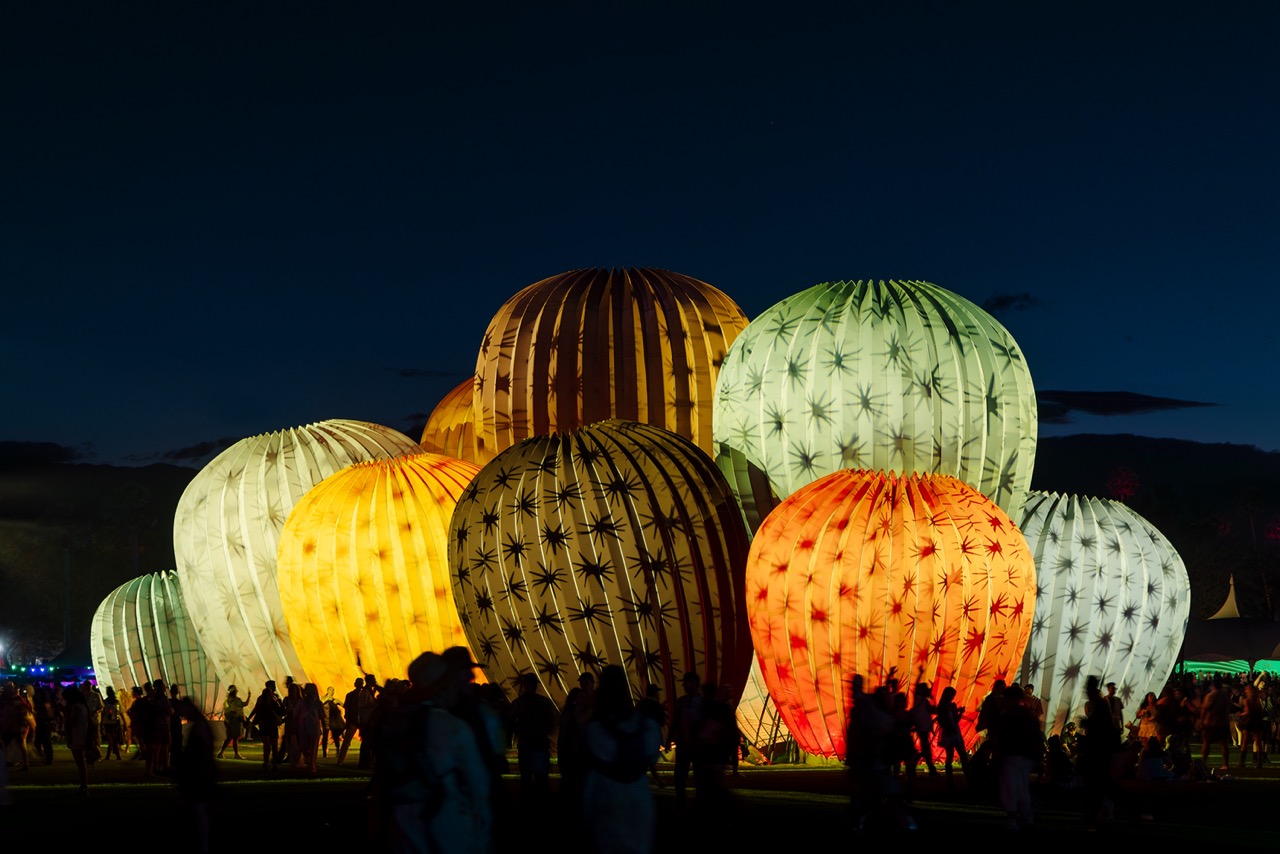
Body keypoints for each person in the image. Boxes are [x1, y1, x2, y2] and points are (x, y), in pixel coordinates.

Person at [377, 651, 492, 854]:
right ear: (443, 687)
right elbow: (479, 785)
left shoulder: (396, 722)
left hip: (402, 822)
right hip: (446, 821)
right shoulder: (453, 727)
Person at [581, 665, 662, 854]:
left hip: (609, 802)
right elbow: (651, 754)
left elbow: (594, 757)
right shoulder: (645, 725)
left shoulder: (596, 731)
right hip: (639, 799)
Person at [173, 697, 217, 854]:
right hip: (201, 774)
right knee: (198, 810)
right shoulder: (201, 725)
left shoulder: (199, 727)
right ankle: (201, 844)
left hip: (199, 775)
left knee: (198, 810)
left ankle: (202, 846)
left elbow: (199, 752)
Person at [509, 673, 558, 804]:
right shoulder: (544, 703)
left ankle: (529, 806)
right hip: (540, 745)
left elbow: (511, 724)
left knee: (526, 778)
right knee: (541, 779)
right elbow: (552, 723)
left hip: (526, 745)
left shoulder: (518, 703)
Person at [668, 671, 703, 809]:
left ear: (694, 683)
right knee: (681, 775)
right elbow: (675, 721)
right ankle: (683, 802)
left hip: (695, 745)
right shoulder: (682, 702)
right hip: (685, 744)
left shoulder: (700, 702)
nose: (683, 685)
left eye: (686, 682)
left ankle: (697, 803)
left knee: (697, 775)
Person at [934, 685, 968, 787]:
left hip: (949, 733)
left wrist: (959, 712)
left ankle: (950, 780)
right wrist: (960, 713)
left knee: (951, 755)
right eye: (952, 695)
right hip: (952, 733)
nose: (953, 697)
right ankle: (966, 776)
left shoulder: (943, 707)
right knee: (960, 755)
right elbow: (955, 720)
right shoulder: (948, 706)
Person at [248, 680, 284, 770]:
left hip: (266, 723)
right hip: (268, 722)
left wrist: (250, 719)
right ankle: (271, 762)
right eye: (273, 685)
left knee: (269, 745)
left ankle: (268, 762)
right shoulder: (270, 698)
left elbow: (256, 709)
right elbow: (257, 708)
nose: (275, 686)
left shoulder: (272, 698)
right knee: (271, 744)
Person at [218, 685, 250, 759]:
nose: (236, 692)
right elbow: (230, 711)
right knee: (234, 737)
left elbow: (244, 704)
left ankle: (221, 752)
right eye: (235, 691)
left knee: (230, 738)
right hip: (233, 721)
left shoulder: (231, 700)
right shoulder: (230, 700)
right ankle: (235, 754)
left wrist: (249, 696)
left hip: (233, 721)